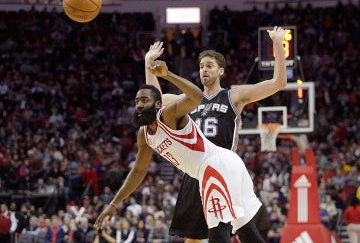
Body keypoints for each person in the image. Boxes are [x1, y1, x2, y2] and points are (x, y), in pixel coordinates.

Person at [94, 58, 267, 243]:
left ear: (158, 105)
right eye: (137, 101)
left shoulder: (168, 115)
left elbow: (197, 97)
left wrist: (168, 75)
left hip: (215, 165)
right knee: (245, 230)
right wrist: (114, 203)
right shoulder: (144, 136)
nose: (139, 105)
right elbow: (137, 171)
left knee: (217, 233)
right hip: (224, 165)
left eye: (144, 100)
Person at [144, 26, 287, 242]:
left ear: (221, 71)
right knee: (191, 238)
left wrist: (277, 43)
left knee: (225, 233)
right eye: (201, 66)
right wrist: (148, 63)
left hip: (221, 168)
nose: (204, 70)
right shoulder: (188, 99)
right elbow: (156, 101)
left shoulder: (234, 95)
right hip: (195, 171)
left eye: (209, 66)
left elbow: (278, 83)